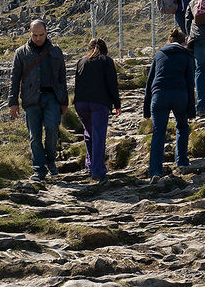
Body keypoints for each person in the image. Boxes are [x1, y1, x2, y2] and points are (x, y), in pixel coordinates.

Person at [8, 19, 68, 181]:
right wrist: (12, 102)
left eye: (41, 35)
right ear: (29, 33)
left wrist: (64, 103)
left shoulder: (56, 52)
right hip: (31, 99)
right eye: (35, 35)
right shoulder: (21, 53)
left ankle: (51, 159)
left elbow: (63, 78)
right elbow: (15, 79)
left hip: (52, 98)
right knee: (34, 136)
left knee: (52, 129)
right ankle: (39, 169)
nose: (38, 38)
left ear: (47, 32)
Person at [143, 28, 195, 182]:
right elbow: (190, 84)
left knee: (158, 133)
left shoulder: (159, 54)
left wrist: (146, 110)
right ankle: (181, 162)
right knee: (182, 126)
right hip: (179, 94)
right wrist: (192, 111)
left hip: (159, 95)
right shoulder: (187, 55)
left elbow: (149, 83)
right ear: (183, 42)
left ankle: (155, 172)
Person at [74, 38, 121, 181]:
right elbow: (112, 84)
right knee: (99, 135)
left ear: (88, 48)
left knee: (89, 133)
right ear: (105, 49)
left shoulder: (81, 61)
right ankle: (98, 170)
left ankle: (89, 165)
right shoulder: (106, 61)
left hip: (81, 103)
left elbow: (77, 83)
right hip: (99, 103)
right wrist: (117, 104)